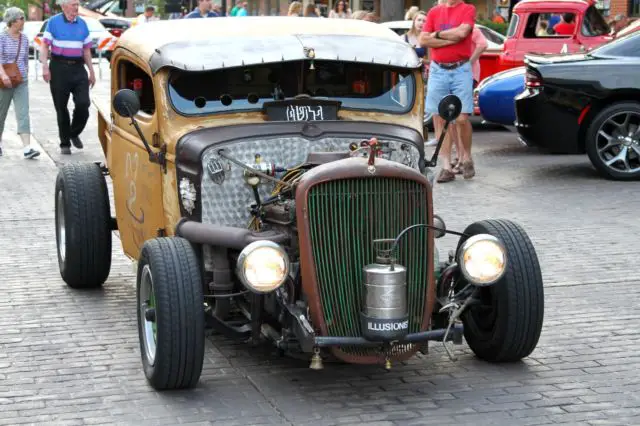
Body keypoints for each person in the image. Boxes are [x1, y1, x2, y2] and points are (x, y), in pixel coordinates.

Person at [419, 0, 476, 183]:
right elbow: (423, 39)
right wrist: (450, 39)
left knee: (461, 118)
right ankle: (446, 166)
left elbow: (462, 33)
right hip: (438, 69)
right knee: (439, 117)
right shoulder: (434, 12)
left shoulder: (468, 9)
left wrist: (437, 36)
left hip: (461, 68)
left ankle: (466, 157)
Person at [40, 0, 96, 155]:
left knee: (83, 104)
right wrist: (45, 66)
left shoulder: (83, 24)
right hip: (58, 68)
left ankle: (74, 132)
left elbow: (86, 51)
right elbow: (44, 46)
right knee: (61, 107)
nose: (76, 8)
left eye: (77, 4)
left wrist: (91, 71)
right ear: (63, 6)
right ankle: (65, 142)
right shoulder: (53, 22)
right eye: (73, 4)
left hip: (78, 68)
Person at [0, 7, 39, 159]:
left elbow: (24, 60)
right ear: (13, 21)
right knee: (1, 113)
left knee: (23, 113)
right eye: (21, 18)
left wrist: (26, 75)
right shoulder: (2, 37)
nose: (24, 21)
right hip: (3, 82)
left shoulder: (24, 38)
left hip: (20, 81)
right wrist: (3, 76)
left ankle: (27, 148)